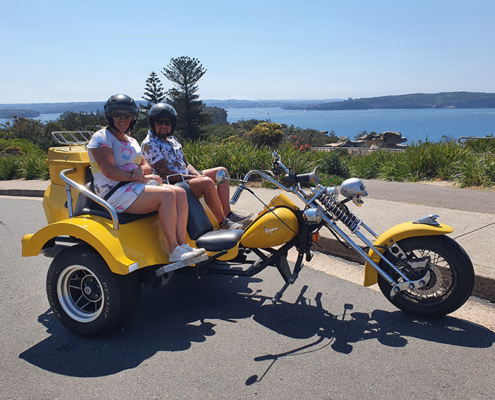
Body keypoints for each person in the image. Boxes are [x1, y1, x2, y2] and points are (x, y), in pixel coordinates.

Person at [87, 94, 205, 263]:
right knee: (167, 195)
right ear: (110, 116)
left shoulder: (132, 141)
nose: (123, 119)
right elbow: (109, 171)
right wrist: (136, 176)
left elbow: (146, 166)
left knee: (179, 192)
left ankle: (182, 245)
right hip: (113, 191)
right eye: (118, 115)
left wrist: (138, 171)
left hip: (132, 186)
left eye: (128, 116)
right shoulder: (101, 138)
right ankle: (173, 249)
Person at [141, 103, 250, 230]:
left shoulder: (173, 140)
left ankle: (228, 213)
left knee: (222, 172)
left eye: (167, 122)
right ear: (153, 123)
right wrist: (194, 178)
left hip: (185, 177)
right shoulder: (149, 143)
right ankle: (223, 222)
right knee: (207, 183)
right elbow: (166, 174)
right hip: (170, 184)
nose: (163, 126)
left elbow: (186, 163)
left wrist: (196, 175)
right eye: (159, 122)